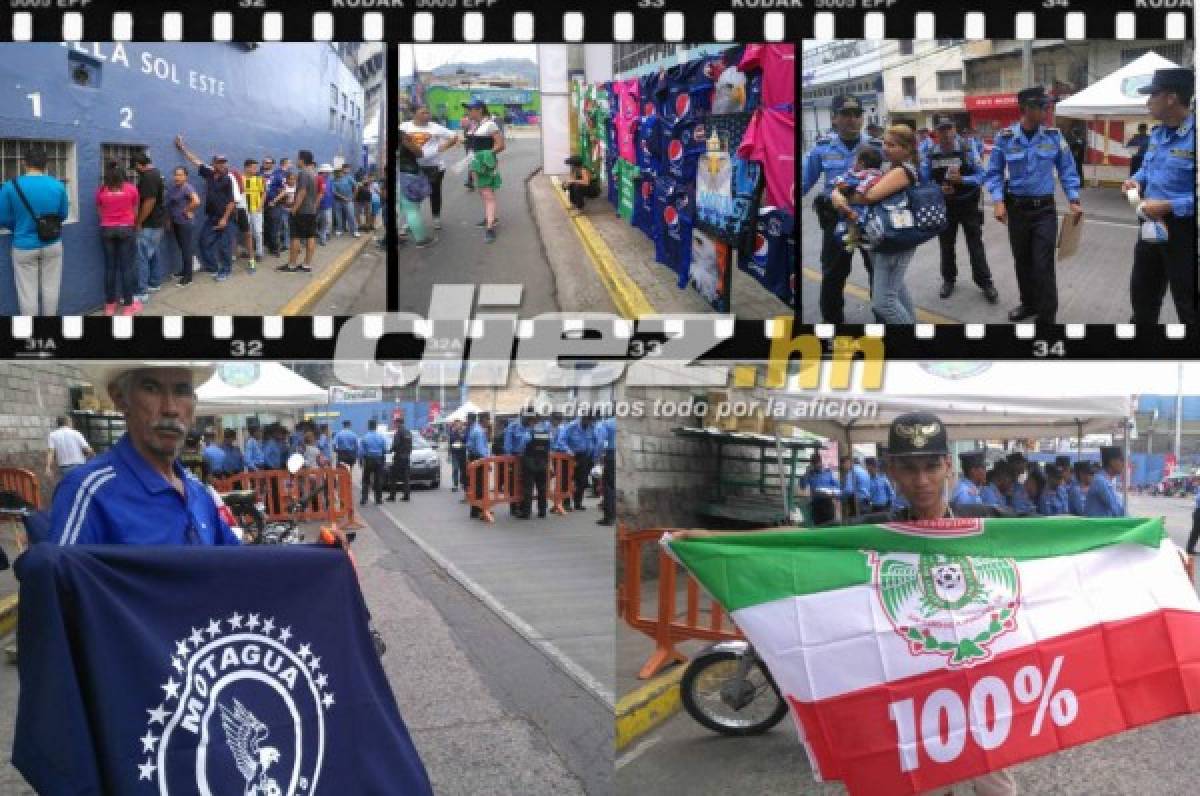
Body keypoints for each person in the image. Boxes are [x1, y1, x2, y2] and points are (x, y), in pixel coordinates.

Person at [49, 364, 239, 546]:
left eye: (182, 391)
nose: (170, 409)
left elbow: (237, 562)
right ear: (120, 399)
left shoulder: (196, 489)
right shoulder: (87, 491)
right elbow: (61, 575)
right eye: (152, 389)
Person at [983, 86, 1082, 324]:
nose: (1046, 111)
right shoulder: (1005, 138)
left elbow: (1067, 170)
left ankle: (1047, 316)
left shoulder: (1054, 137)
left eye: (1047, 106)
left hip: (1044, 211)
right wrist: (997, 201)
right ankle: (1029, 304)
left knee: (1042, 263)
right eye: (1041, 106)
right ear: (1025, 109)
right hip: (1017, 210)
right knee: (1023, 261)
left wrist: (1074, 199)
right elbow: (994, 173)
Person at [1122, 68, 1196, 326]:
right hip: (1150, 226)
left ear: (1171, 98)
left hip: (1185, 232)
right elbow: (1147, 168)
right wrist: (1137, 181)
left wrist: (1169, 205)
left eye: (1153, 94)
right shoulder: (1157, 134)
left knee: (1187, 304)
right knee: (1142, 295)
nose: (1148, 101)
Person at [801, 95, 883, 323]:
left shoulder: (877, 147)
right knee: (833, 277)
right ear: (834, 118)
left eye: (857, 114)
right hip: (836, 223)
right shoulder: (822, 149)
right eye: (846, 114)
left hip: (871, 222)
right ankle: (832, 326)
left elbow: (892, 180)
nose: (852, 119)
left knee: (880, 275)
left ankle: (883, 320)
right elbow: (801, 184)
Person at [830, 124, 923, 324]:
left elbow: (868, 197)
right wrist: (838, 193)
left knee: (883, 304)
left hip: (896, 239)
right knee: (896, 292)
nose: (886, 148)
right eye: (885, 143)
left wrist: (840, 196)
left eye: (893, 145)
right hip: (889, 237)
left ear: (907, 149)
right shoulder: (890, 168)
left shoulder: (903, 171)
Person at [922, 116, 999, 303]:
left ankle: (985, 282)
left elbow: (983, 176)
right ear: (936, 133)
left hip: (968, 205)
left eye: (949, 129)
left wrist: (963, 180)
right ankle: (948, 279)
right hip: (945, 206)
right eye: (942, 129)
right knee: (946, 245)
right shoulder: (930, 153)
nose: (946, 133)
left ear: (954, 130)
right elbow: (924, 180)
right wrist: (938, 188)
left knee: (975, 244)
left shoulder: (967, 149)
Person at [0, 147, 69, 315]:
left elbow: (3, 218)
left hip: (23, 245)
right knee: (51, 288)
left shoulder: (10, 186)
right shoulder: (58, 185)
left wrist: (19, 228)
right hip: (52, 243)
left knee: (27, 293)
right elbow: (63, 215)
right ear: (46, 165)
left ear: (24, 163)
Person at [174, 137, 237, 282]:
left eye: (224, 162)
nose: (222, 165)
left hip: (227, 218)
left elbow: (232, 201)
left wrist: (224, 219)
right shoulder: (209, 173)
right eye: (219, 162)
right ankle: (213, 267)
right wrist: (182, 148)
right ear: (214, 163)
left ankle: (225, 271)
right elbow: (196, 161)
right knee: (204, 242)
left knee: (224, 247)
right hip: (212, 217)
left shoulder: (229, 178)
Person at [401, 105, 460, 230]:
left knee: (435, 193)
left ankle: (436, 217)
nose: (427, 115)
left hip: (434, 166)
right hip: (413, 166)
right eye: (423, 113)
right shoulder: (405, 127)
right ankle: (410, 220)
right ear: (414, 113)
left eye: (428, 112)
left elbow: (454, 137)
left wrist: (443, 147)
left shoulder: (435, 127)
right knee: (413, 194)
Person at [95, 160, 141, 316]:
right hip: (126, 229)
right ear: (123, 174)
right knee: (126, 268)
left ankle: (110, 305)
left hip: (107, 229)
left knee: (110, 268)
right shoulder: (131, 189)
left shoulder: (102, 190)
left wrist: (109, 220)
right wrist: (128, 221)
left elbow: (99, 210)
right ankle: (128, 307)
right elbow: (135, 209)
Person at [829, 145, 885, 253]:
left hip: (856, 209)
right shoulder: (881, 175)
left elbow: (860, 189)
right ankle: (853, 238)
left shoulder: (865, 175)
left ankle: (851, 238)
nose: (853, 162)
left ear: (861, 163)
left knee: (847, 226)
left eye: (855, 160)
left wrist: (843, 187)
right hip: (866, 213)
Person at [465, 100, 506, 243]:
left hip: (486, 165)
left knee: (488, 194)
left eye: (470, 109)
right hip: (477, 164)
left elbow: (501, 145)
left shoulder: (490, 124)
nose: (468, 112)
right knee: (482, 192)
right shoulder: (476, 125)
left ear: (480, 110)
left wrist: (485, 154)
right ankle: (491, 218)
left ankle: (490, 227)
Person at [131, 152, 165, 304]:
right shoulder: (157, 172)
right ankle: (155, 282)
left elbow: (149, 201)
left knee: (142, 257)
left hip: (150, 223)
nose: (135, 170)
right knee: (153, 252)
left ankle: (141, 291)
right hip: (157, 222)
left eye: (135, 167)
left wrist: (139, 221)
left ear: (139, 165)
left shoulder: (148, 177)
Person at [278, 150, 320, 274]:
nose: (296, 161)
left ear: (302, 160)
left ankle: (292, 265)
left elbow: (302, 193)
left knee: (295, 237)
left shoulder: (303, 174)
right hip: (311, 211)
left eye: (297, 159)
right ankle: (306, 264)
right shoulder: (314, 173)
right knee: (310, 237)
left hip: (302, 211)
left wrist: (294, 209)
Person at [396, 129, 435, 248]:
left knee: (399, 208)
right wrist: (409, 141)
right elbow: (419, 153)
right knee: (412, 209)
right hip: (408, 176)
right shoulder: (403, 138)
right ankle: (421, 240)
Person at [163, 166, 200, 287]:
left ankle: (188, 277)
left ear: (185, 176)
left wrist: (187, 210)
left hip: (185, 224)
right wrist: (168, 220)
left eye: (180, 175)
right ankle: (185, 271)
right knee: (182, 248)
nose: (177, 177)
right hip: (176, 222)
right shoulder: (173, 188)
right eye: (176, 174)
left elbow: (196, 201)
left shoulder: (187, 187)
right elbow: (169, 205)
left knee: (186, 249)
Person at [563, 412, 597, 512]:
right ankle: (566, 503)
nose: (589, 422)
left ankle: (578, 503)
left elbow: (595, 441)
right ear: (582, 418)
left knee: (581, 481)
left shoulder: (591, 427)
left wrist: (593, 456)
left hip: (585, 457)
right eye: (587, 420)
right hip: (571, 456)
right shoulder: (571, 426)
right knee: (568, 480)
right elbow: (562, 440)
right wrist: (568, 451)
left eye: (591, 420)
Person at [45, 415, 93, 480]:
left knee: (68, 487)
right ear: (68, 422)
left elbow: (50, 452)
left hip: (64, 468)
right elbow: (87, 450)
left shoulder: (52, 435)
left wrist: (48, 467)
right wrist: (92, 457)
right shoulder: (76, 433)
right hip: (79, 466)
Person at [1085, 446, 1126, 517]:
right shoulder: (1100, 482)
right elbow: (1117, 509)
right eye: (1121, 460)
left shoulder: (1105, 480)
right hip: (1098, 527)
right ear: (1112, 462)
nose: (1123, 464)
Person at [242, 158, 265, 271]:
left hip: (256, 209)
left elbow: (264, 193)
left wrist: (260, 205)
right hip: (245, 210)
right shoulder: (241, 179)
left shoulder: (259, 179)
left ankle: (259, 252)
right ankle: (249, 251)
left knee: (257, 231)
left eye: (256, 167)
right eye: (254, 167)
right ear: (247, 167)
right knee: (248, 232)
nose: (256, 169)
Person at [804, 453, 839, 525]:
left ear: (820, 462)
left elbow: (837, 486)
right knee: (818, 526)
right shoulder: (810, 475)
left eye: (817, 462)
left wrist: (829, 491)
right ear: (811, 464)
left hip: (827, 503)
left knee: (830, 525)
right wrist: (806, 473)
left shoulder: (828, 473)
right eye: (814, 463)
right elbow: (802, 486)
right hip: (816, 504)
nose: (816, 465)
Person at [359, 419, 388, 506]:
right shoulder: (381, 437)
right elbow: (384, 450)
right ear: (376, 426)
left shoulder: (365, 437)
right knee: (378, 480)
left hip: (368, 460)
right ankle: (378, 499)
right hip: (378, 459)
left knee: (366, 480)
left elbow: (361, 452)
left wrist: (361, 461)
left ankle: (364, 499)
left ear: (368, 426)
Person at [466, 413, 490, 518]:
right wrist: (487, 460)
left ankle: (475, 510)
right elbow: (481, 449)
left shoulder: (474, 429)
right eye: (488, 420)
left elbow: (469, 445)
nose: (488, 422)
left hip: (474, 458)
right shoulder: (479, 431)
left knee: (475, 484)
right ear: (483, 419)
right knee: (480, 485)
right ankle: (480, 510)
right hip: (479, 459)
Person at [596, 412, 616, 526]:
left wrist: (597, 457)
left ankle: (609, 517)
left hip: (611, 455)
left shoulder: (607, 423)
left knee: (608, 487)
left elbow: (600, 442)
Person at [388, 414, 412, 502]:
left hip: (399, 458)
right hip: (406, 457)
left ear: (398, 423)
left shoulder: (398, 432)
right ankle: (406, 496)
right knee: (406, 477)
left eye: (395, 423)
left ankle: (392, 496)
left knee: (393, 477)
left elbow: (396, 444)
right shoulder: (408, 432)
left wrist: (390, 450)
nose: (394, 425)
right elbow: (410, 446)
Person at [333, 164, 359, 238]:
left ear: (342, 171)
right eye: (336, 172)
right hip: (337, 201)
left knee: (351, 215)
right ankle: (339, 230)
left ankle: (354, 231)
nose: (338, 173)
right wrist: (343, 197)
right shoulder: (334, 180)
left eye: (339, 172)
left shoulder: (348, 178)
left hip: (348, 200)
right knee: (338, 216)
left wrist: (353, 197)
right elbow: (334, 192)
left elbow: (356, 186)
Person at [316, 164, 335, 245]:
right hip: (318, 205)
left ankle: (323, 239)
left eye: (329, 172)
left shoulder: (329, 180)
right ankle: (317, 237)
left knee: (326, 222)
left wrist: (331, 202)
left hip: (327, 205)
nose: (329, 173)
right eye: (327, 172)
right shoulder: (316, 179)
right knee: (315, 222)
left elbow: (331, 192)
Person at [448, 419, 467, 492]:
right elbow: (452, 443)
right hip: (455, 453)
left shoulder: (464, 432)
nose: (458, 426)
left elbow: (465, 440)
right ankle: (455, 485)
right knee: (455, 469)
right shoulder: (452, 433)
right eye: (456, 424)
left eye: (459, 424)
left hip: (462, 453)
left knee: (463, 469)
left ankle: (462, 483)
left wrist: (460, 438)